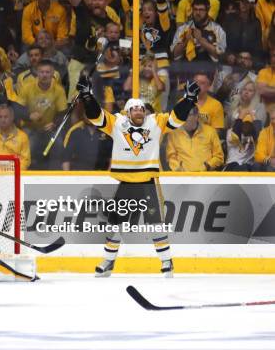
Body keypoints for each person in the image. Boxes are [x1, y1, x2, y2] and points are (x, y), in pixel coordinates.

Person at [75, 69, 199, 277]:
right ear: (127, 112)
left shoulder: (155, 122)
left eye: (142, 109)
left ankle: (167, 262)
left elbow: (176, 119)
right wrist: (87, 97)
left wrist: (188, 100)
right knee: (115, 223)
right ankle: (108, 261)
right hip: (126, 182)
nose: (140, 111)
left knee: (155, 225)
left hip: (148, 181)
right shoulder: (116, 123)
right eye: (135, 109)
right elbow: (96, 116)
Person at [165, 106, 224, 171]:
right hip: (182, 178)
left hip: (205, 177)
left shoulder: (210, 132)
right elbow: (171, 157)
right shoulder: (174, 133)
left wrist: (207, 166)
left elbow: (219, 156)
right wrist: (178, 168)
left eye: (188, 115)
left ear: (196, 116)